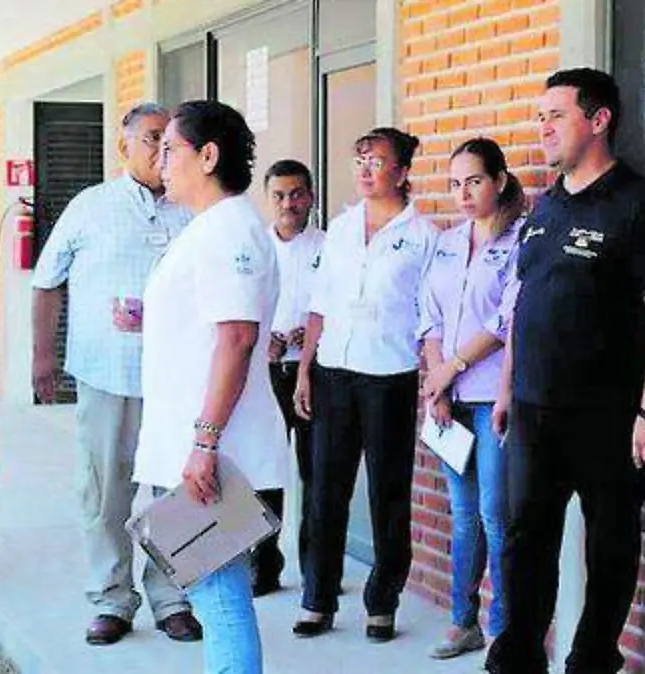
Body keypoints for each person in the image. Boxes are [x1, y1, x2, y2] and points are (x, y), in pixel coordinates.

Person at [485, 68, 645, 674]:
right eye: (539, 115)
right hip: (534, 413)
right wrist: (505, 390)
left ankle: (593, 660)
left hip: (611, 419)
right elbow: (525, 307)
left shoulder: (638, 205)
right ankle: (517, 658)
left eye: (556, 115)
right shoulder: (547, 209)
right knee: (525, 542)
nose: (542, 127)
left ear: (598, 120)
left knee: (610, 546)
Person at [30, 102, 200, 645]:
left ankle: (171, 597)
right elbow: (46, 281)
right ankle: (112, 598)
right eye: (151, 139)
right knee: (105, 494)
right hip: (106, 375)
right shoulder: (89, 207)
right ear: (122, 145)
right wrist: (42, 358)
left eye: (170, 141)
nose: (161, 151)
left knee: (174, 491)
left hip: (174, 381)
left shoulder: (191, 210)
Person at [135, 99, 288, 674]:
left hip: (213, 454)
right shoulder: (209, 229)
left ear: (208, 155)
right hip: (193, 448)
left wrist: (203, 442)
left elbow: (238, 339)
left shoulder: (231, 231)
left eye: (169, 149)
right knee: (213, 594)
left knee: (220, 600)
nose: (160, 160)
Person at [292, 127, 437, 642]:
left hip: (389, 377)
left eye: (377, 160)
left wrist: (435, 377)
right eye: (360, 158)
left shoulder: (423, 236)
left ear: (401, 172)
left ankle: (382, 602)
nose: (366, 169)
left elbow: (431, 316)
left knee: (388, 494)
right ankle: (318, 598)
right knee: (324, 489)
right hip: (335, 372)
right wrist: (306, 367)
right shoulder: (341, 226)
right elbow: (320, 303)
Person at [417, 137, 523, 659]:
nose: (463, 193)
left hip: (491, 398)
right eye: (455, 183)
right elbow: (428, 313)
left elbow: (506, 320)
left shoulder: (521, 240)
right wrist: (437, 379)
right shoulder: (446, 242)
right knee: (463, 517)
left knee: (495, 515)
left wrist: (452, 367)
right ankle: (463, 623)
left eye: (474, 181)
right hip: (449, 399)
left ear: (499, 181)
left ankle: (503, 628)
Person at [252, 159, 324, 597]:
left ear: (311, 197)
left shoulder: (329, 247)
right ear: (268, 199)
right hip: (267, 373)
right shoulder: (255, 248)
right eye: (279, 195)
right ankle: (264, 564)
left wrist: (310, 334)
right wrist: (266, 341)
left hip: (316, 374)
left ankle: (317, 571)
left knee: (317, 475)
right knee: (266, 472)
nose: (288, 203)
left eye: (296, 194)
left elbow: (339, 305)